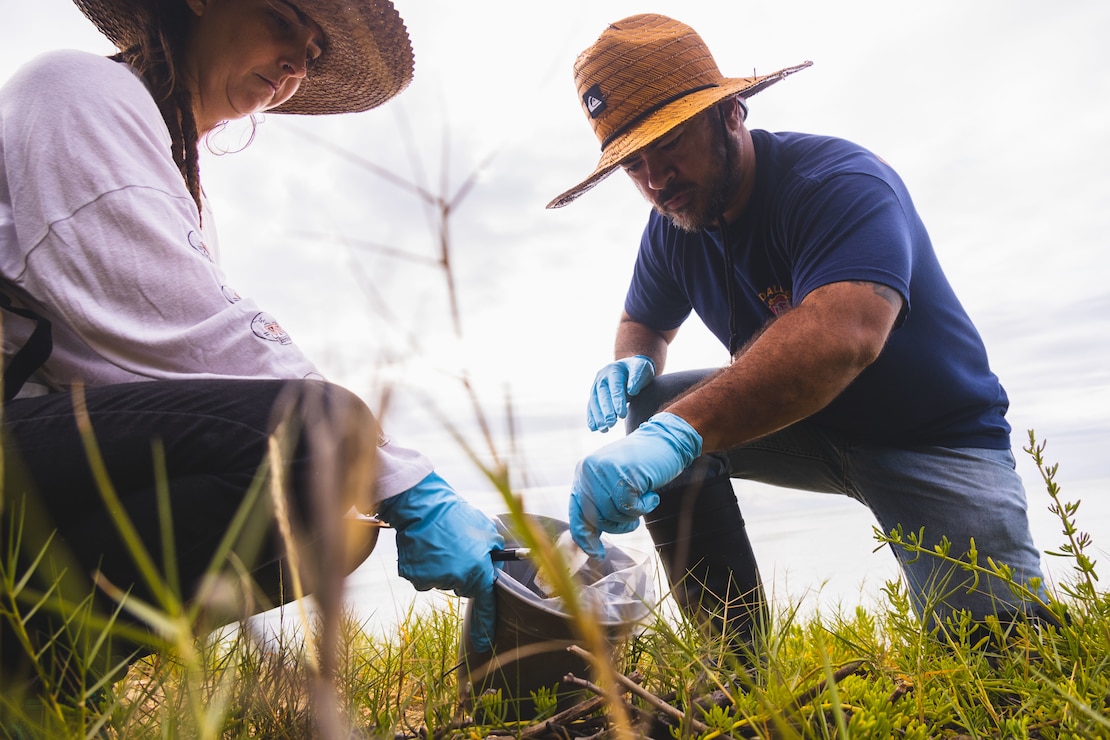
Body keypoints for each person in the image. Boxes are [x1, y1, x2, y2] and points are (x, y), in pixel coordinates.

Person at [0, 0, 502, 699]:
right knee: (320, 437)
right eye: (281, 16)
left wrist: (378, 484)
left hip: (36, 455)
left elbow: (145, 376)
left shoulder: (179, 180)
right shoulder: (76, 92)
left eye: (316, 49)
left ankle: (38, 682)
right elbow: (165, 327)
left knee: (335, 522)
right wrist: (404, 480)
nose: (299, 61)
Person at [548, 13, 1051, 656]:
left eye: (669, 143)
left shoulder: (836, 182)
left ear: (730, 113)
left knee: (1007, 660)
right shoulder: (675, 225)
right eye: (633, 163)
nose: (655, 179)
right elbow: (642, 321)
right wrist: (631, 364)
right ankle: (736, 670)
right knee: (654, 406)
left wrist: (676, 435)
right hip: (804, 428)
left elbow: (846, 335)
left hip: (932, 441)